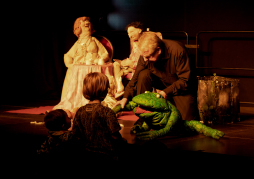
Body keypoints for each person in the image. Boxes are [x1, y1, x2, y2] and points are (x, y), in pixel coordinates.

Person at [113, 32, 198, 121]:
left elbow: (185, 81)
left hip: (182, 89)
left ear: (158, 50)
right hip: (162, 82)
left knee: (185, 124)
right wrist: (125, 97)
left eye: (148, 57)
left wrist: (165, 92)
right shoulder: (145, 55)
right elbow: (135, 78)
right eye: (143, 57)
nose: (145, 60)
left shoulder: (178, 51)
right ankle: (144, 112)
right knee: (143, 74)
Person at [71, 72, 127, 160]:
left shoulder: (80, 111)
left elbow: (75, 134)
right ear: (104, 90)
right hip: (106, 155)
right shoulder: (107, 112)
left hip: (85, 155)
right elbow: (115, 136)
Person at [61, 16, 109, 101]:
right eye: (83, 21)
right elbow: (68, 55)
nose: (87, 22)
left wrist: (100, 60)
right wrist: (71, 65)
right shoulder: (77, 43)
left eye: (88, 21)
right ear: (78, 26)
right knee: (72, 70)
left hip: (92, 66)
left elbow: (105, 53)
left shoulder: (94, 40)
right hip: (79, 68)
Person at [113, 21, 143, 98]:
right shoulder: (135, 43)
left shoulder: (145, 41)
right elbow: (132, 56)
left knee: (123, 64)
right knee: (115, 64)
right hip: (131, 66)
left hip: (140, 65)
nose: (130, 35)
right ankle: (119, 85)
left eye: (131, 32)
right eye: (128, 33)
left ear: (139, 30)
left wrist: (127, 62)